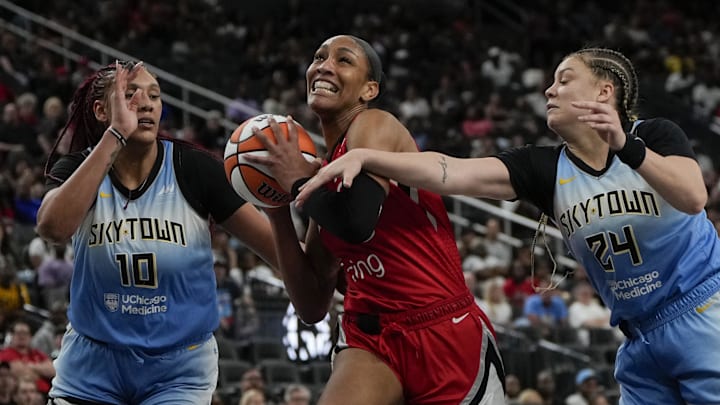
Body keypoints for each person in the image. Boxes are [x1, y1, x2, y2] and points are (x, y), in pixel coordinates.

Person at [297, 47, 720, 404]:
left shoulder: (656, 135)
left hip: (703, 313)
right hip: (638, 337)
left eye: (564, 80)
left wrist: (627, 146)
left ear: (604, 91)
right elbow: (448, 171)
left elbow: (693, 196)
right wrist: (368, 158)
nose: (549, 89)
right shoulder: (543, 167)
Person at [246, 35, 505, 404]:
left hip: (442, 329)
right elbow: (312, 303)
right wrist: (276, 207)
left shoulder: (375, 123)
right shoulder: (326, 175)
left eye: (343, 60)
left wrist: (298, 181)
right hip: (368, 333)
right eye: (318, 57)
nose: (324, 66)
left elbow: (356, 222)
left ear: (370, 89)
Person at [35, 60, 279, 404]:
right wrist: (115, 137)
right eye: (131, 94)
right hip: (92, 364)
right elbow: (52, 228)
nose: (147, 103)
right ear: (103, 111)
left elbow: (278, 252)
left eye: (155, 95)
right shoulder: (81, 167)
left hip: (178, 367)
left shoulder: (194, 169)